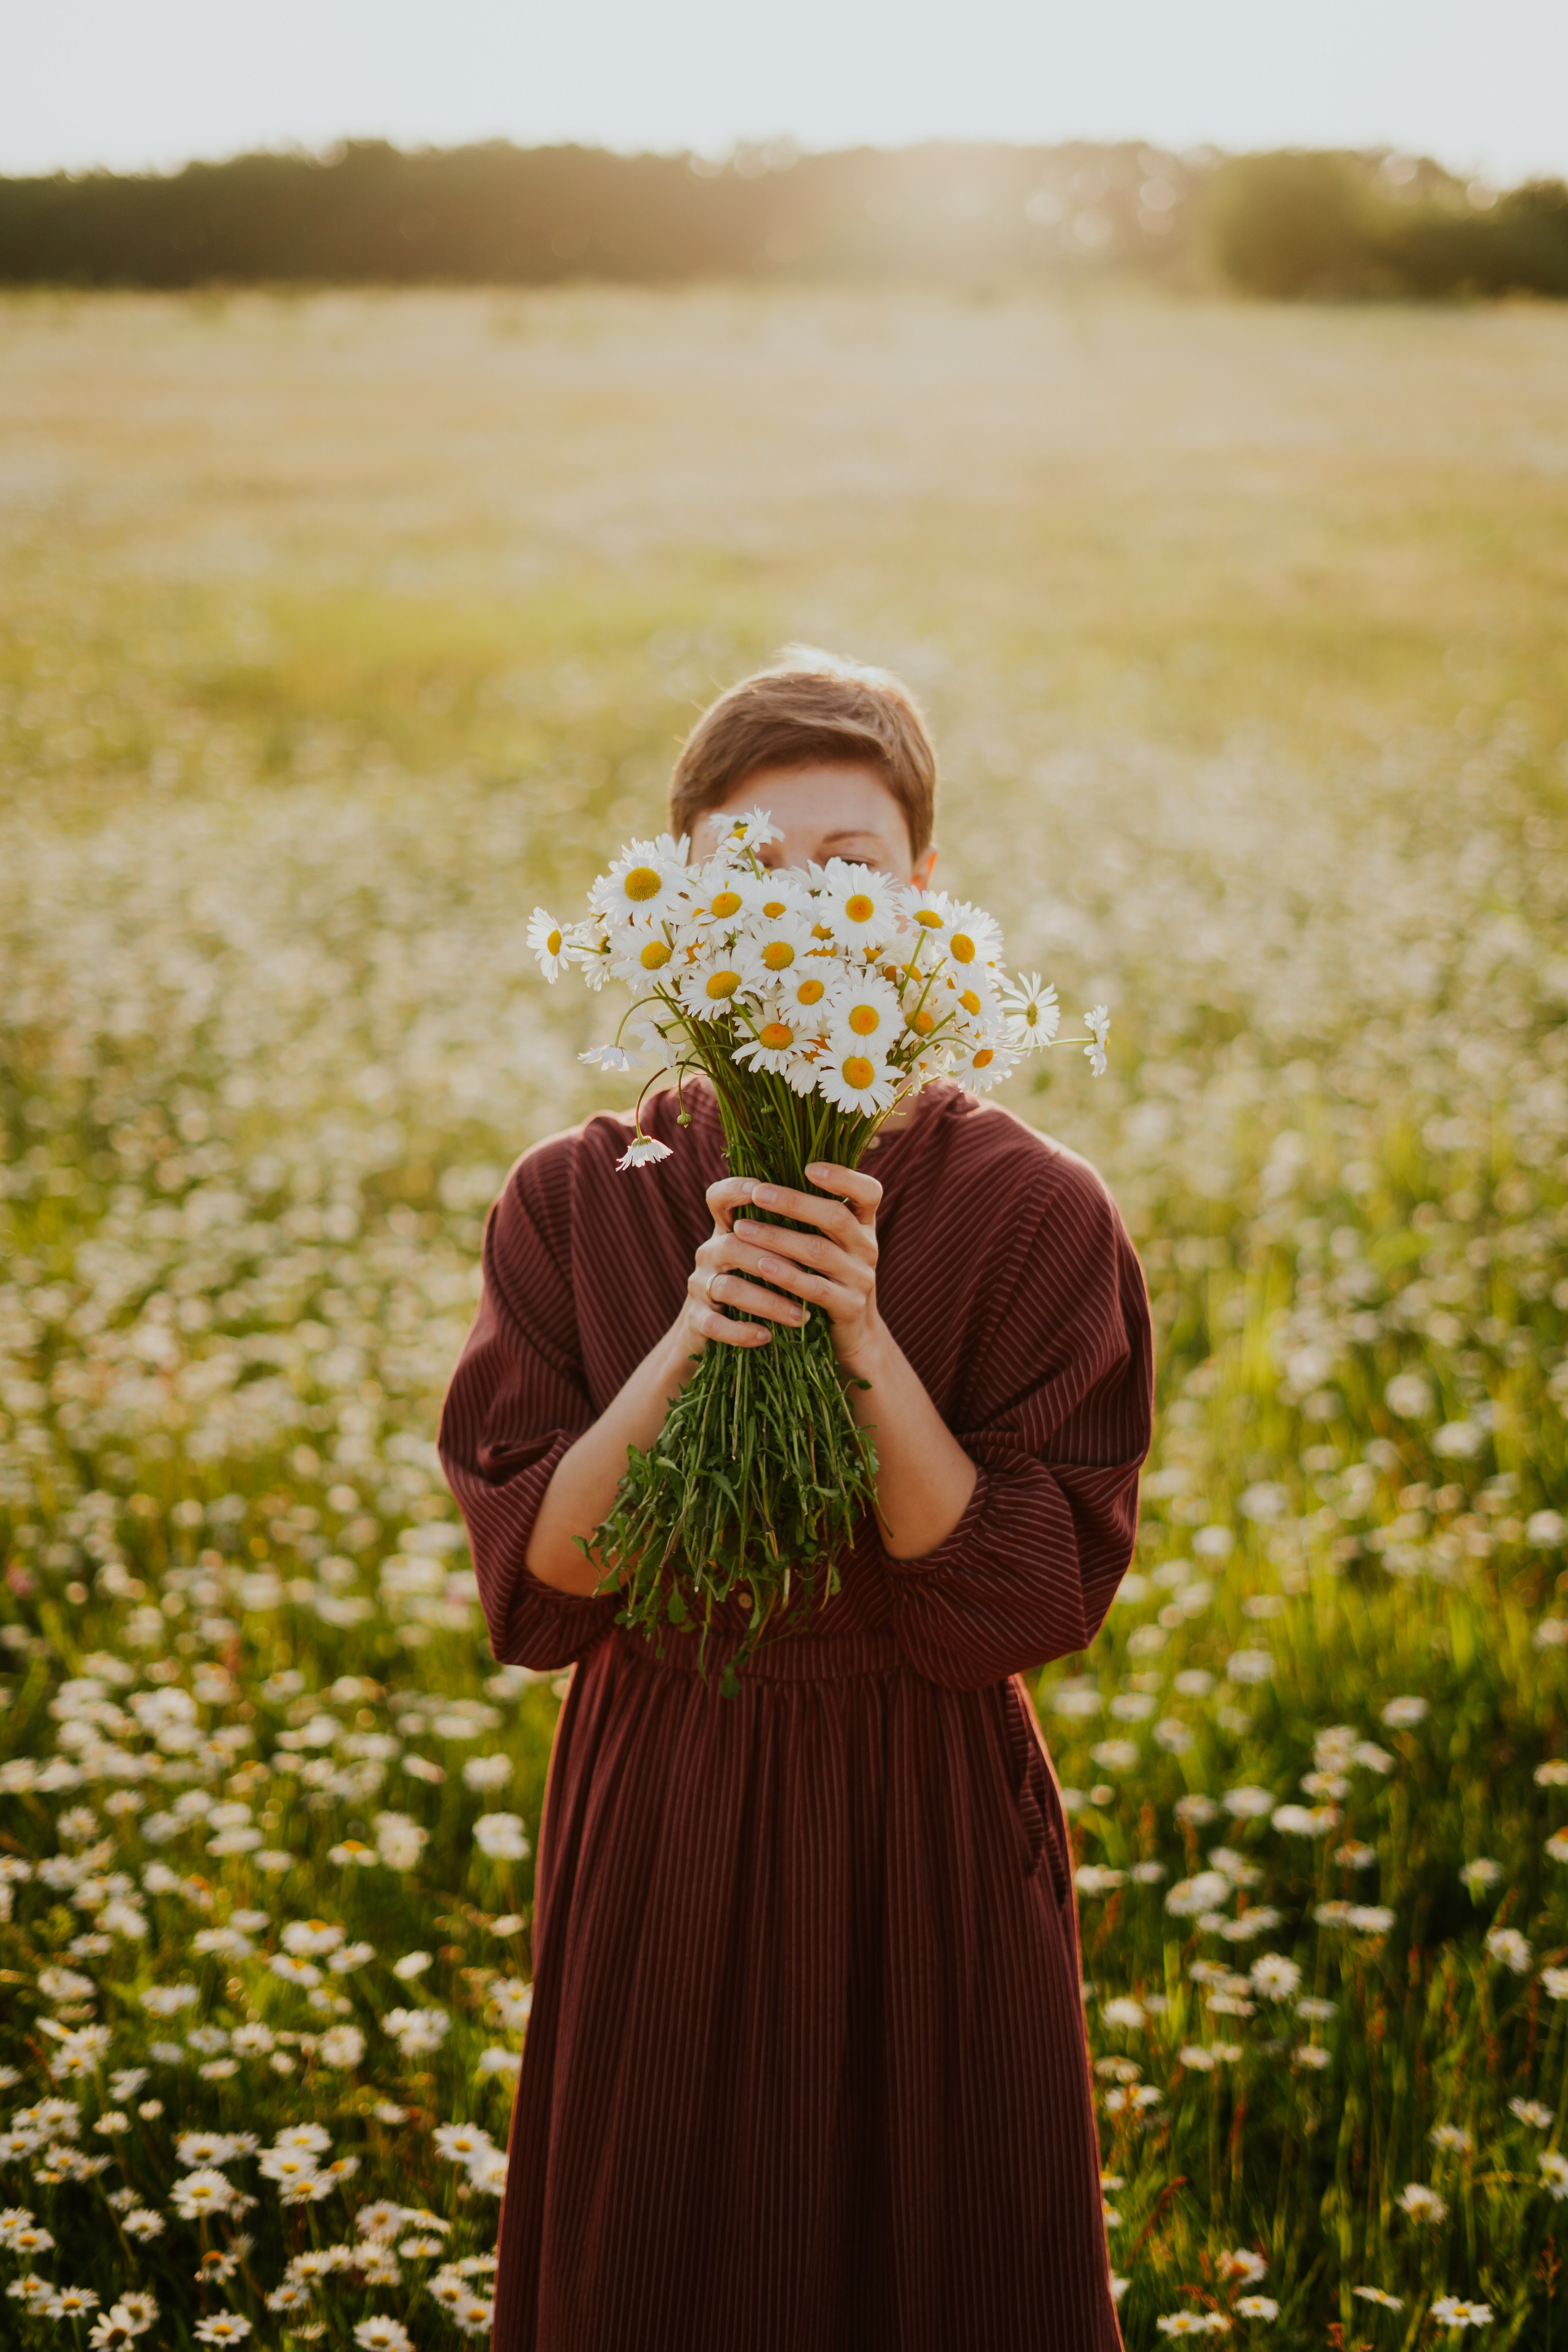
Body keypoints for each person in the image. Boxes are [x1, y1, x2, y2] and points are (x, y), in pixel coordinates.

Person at [439, 649, 1154, 2352]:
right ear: (679, 901)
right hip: (669, 1798)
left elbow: (1014, 1608)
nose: (808, 909)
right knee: (663, 2259)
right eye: (754, 872)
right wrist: (696, 1329)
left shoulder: (1038, 1214)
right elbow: (544, 1589)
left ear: (927, 900)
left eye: (853, 869)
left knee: (947, 2257)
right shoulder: (570, 1200)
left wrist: (857, 1335)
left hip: (926, 1810)